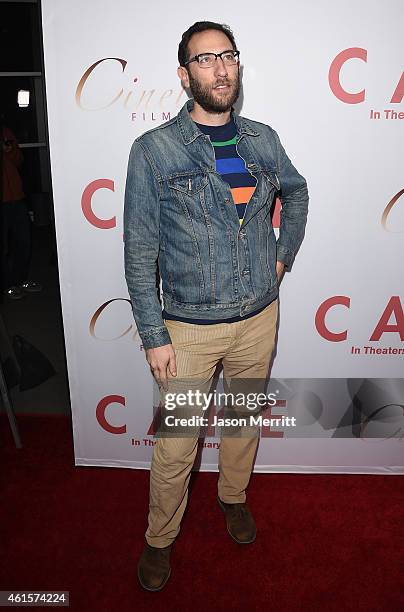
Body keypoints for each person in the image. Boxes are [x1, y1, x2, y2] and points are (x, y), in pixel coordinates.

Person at [124, 21, 309, 592]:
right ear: (185, 76)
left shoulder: (262, 140)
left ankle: (232, 497)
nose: (220, 68)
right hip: (189, 329)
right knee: (177, 446)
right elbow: (139, 251)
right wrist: (154, 335)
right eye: (205, 60)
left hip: (258, 318)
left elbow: (296, 193)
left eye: (227, 56)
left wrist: (282, 257)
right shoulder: (154, 151)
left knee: (243, 421)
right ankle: (159, 538)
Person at [1, 124, 42, 299]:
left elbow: (19, 160)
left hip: (16, 198)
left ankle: (20, 280)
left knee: (23, 241)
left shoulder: (5, 131)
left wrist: (9, 151)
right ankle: (6, 285)